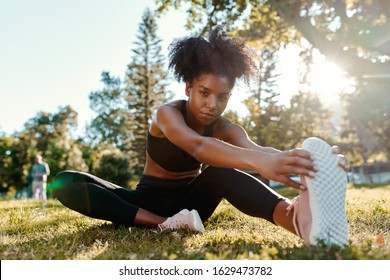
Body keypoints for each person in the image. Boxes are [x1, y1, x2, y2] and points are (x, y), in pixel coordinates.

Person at [52, 25, 349, 247]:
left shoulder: (226, 126)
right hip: (145, 202)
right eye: (204, 93)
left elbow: (255, 148)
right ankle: (164, 224)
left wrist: (305, 163)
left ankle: (298, 220)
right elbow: (197, 145)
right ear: (188, 88)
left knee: (221, 173)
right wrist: (259, 163)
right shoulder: (167, 114)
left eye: (222, 97)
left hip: (192, 207)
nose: (212, 104)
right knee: (65, 180)